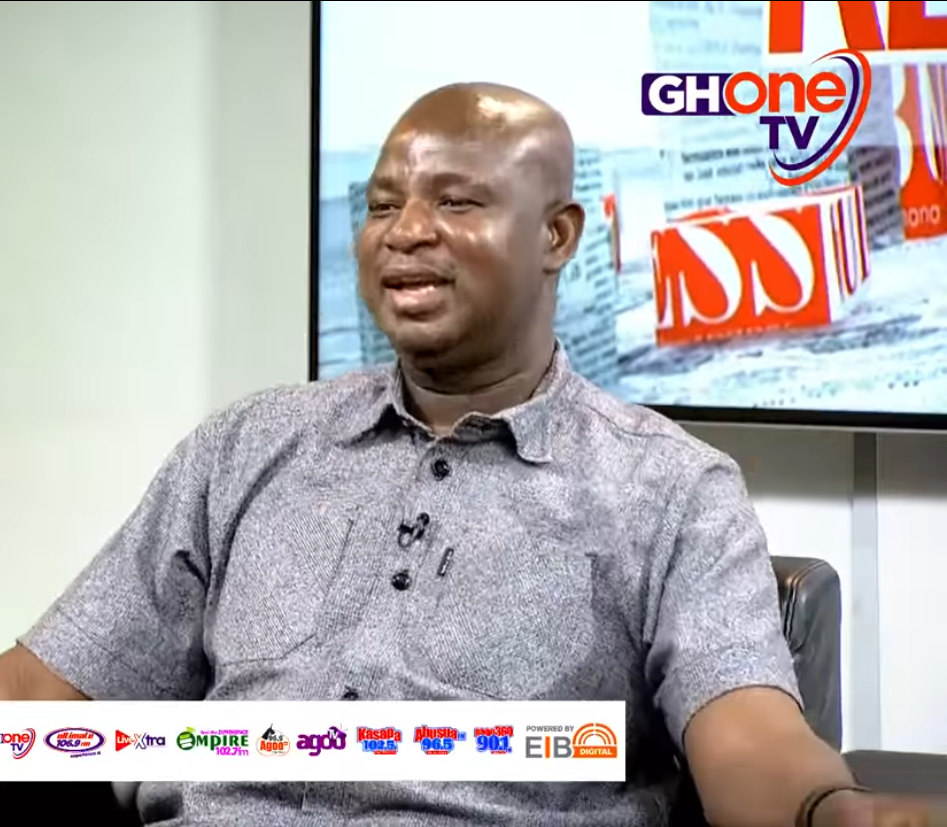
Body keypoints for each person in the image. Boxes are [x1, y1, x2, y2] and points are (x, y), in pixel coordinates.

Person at [0, 82, 939, 827]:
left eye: (454, 200)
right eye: (382, 204)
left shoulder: (669, 487)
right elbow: (39, 695)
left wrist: (832, 810)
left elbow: (748, 739)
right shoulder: (245, 446)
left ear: (556, 236)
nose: (404, 230)